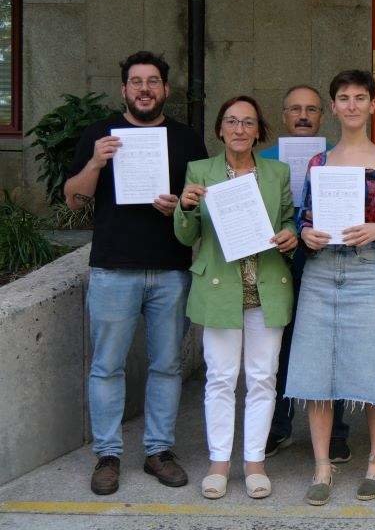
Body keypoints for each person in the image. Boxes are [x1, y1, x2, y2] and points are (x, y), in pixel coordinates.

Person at [64, 51, 207, 496]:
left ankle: (158, 452)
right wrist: (94, 163)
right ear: (124, 89)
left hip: (171, 270)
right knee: (106, 367)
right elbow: (73, 200)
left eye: (153, 81)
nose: (145, 88)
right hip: (112, 268)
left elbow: (200, 204)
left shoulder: (186, 139)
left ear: (165, 89)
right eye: (136, 81)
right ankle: (108, 455)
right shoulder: (99, 134)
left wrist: (182, 204)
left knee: (166, 365)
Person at [285, 69, 375, 504]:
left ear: (373, 105)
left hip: (366, 272)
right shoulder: (319, 163)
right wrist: (307, 233)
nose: (352, 105)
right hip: (320, 273)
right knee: (315, 368)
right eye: (344, 98)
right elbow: (304, 219)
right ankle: (322, 465)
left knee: (373, 367)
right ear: (333, 107)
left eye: (360, 97)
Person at [173, 96, 297, 499]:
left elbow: (289, 221)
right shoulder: (200, 171)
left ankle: (255, 462)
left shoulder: (277, 172)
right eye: (232, 122)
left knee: (264, 379)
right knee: (221, 379)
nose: (240, 129)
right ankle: (219, 463)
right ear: (220, 130)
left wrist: (290, 236)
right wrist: (185, 206)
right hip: (220, 290)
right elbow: (186, 236)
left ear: (259, 130)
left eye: (248, 122)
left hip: (266, 288)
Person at [258, 85, 350, 462]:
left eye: (311, 110)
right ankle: (278, 427)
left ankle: (338, 431)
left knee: (332, 348)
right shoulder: (261, 159)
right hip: (276, 262)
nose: (303, 116)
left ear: (322, 116)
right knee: (278, 348)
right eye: (295, 109)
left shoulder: (338, 159)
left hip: (325, 260)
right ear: (283, 115)